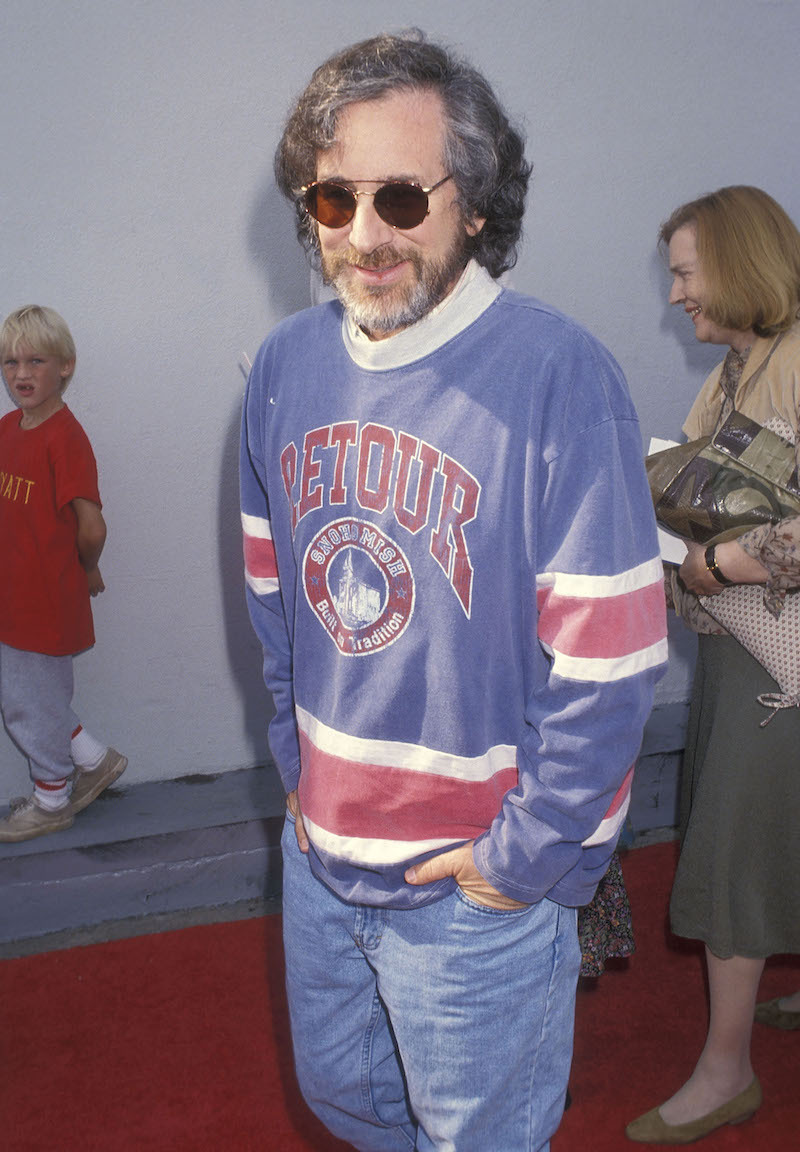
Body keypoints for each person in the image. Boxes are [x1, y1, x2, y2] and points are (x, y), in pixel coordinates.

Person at [241, 32, 667, 1152]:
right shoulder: (284, 368)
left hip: (472, 884)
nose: (364, 234)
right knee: (350, 1108)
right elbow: (273, 597)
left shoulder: (558, 376)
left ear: (473, 205)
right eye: (333, 199)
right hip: (320, 860)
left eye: (399, 196)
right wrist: (295, 771)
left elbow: (611, 661)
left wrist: (520, 863)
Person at [626, 186, 800, 1145]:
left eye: (688, 274)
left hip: (784, 665)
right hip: (755, 655)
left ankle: (727, 1073)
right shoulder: (740, 369)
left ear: (740, 264)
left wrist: (720, 561)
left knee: (735, 848)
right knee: (766, 831)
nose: (677, 297)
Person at [0, 305, 127, 842]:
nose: (20, 374)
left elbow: (91, 525)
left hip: (44, 601)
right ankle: (94, 762)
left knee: (27, 703)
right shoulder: (8, 428)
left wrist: (89, 568)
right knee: (35, 695)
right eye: (9, 362)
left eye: (36, 360)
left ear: (66, 367)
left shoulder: (65, 437)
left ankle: (53, 796)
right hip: (13, 594)